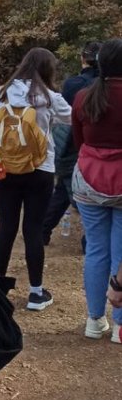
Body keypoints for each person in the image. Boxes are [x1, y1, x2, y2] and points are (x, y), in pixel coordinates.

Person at [0, 49, 72, 311]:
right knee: (33, 229)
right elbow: (71, 119)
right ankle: (36, 293)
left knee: (6, 226)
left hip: (5, 169)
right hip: (40, 169)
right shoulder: (49, 98)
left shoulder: (1, 93)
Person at [71, 38, 122, 340]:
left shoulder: (84, 97)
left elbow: (80, 142)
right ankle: (120, 325)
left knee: (96, 249)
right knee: (120, 251)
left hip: (89, 181)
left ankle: (94, 319)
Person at [43, 40, 101, 245]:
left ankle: (44, 231)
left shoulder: (72, 84)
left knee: (68, 189)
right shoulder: (104, 86)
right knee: (78, 192)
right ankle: (89, 240)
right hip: (97, 145)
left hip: (69, 143)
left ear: (82, 58)